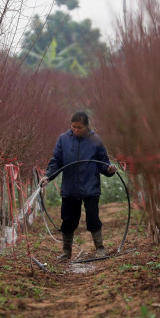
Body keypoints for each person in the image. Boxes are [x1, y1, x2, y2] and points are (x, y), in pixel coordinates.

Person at [39, 111, 116, 259]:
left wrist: (109, 169)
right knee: (68, 220)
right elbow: (56, 162)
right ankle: (66, 251)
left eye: (79, 127)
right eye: (73, 126)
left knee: (93, 219)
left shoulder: (96, 141)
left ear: (86, 126)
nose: (75, 129)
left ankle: (100, 248)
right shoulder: (63, 139)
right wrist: (48, 176)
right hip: (70, 189)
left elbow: (103, 163)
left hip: (90, 187)